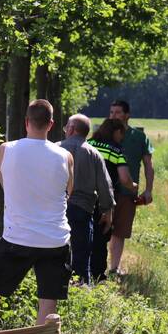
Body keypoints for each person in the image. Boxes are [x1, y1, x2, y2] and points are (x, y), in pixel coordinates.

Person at [0, 99, 73, 334]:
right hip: (55, 239)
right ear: (51, 125)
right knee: (47, 301)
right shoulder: (66, 156)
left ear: (26, 121)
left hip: (17, 237)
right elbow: (68, 194)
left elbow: (5, 184)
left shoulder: (6, 150)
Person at [60, 114, 115, 283]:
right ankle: (81, 288)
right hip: (82, 210)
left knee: (54, 254)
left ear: (71, 129)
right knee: (81, 256)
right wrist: (107, 211)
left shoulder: (56, 148)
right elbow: (105, 186)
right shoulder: (94, 153)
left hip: (57, 209)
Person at [107, 100, 154, 276]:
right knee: (100, 230)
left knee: (119, 230)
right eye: (111, 112)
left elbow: (148, 165)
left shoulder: (139, 137)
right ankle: (94, 268)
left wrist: (148, 190)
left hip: (127, 192)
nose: (113, 116)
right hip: (104, 191)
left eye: (117, 112)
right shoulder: (103, 135)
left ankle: (113, 268)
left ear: (127, 115)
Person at [89, 118, 137, 282]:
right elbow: (124, 178)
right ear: (116, 132)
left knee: (82, 233)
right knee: (101, 236)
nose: (122, 137)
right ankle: (98, 277)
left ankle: (80, 274)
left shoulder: (89, 143)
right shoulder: (116, 150)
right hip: (104, 198)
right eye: (121, 134)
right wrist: (133, 186)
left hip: (82, 196)